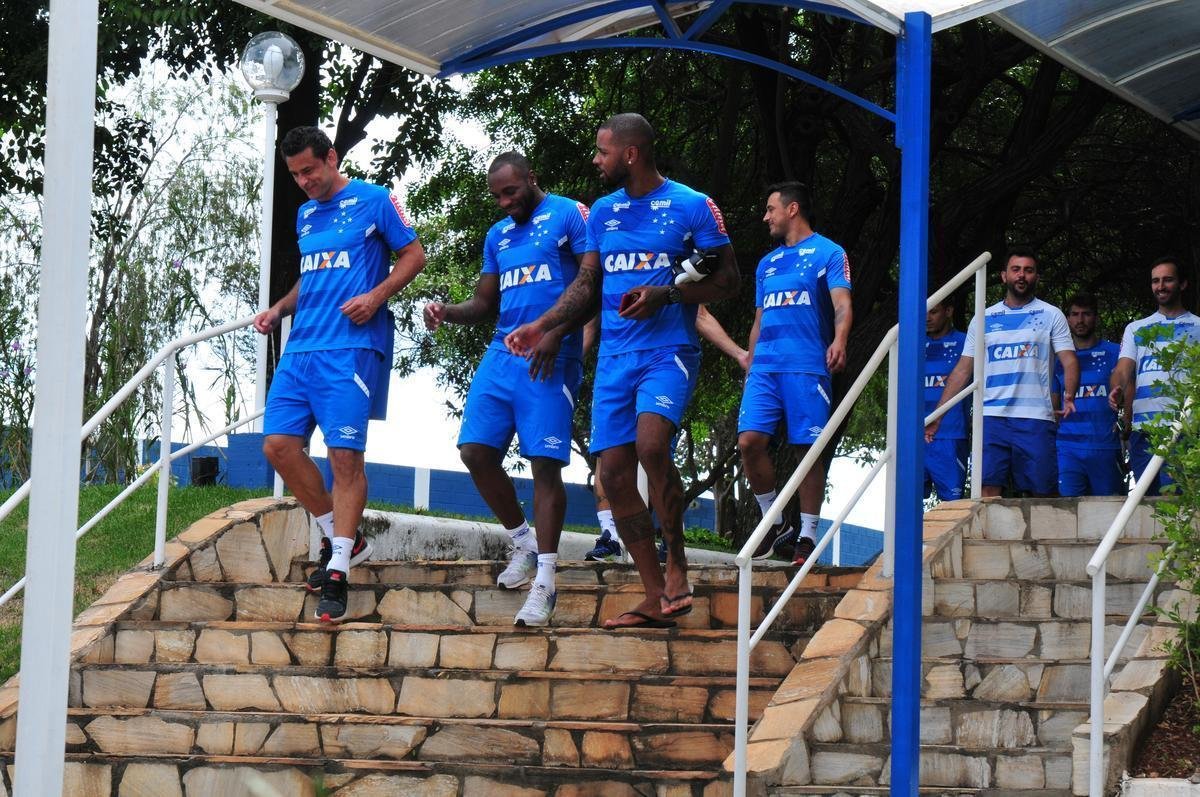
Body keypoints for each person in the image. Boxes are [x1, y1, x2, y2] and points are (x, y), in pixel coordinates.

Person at [507, 113, 740, 628]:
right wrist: (544, 326)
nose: (596, 159)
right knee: (611, 475)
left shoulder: (693, 206)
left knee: (652, 447)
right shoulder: (603, 213)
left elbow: (728, 281)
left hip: (668, 350)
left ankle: (678, 564)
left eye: (603, 151)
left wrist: (668, 294)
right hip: (615, 358)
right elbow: (588, 285)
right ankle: (656, 595)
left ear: (630, 154)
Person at [255, 126, 426, 622]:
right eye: (295, 175)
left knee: (344, 457)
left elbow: (414, 255)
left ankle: (339, 573)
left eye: (309, 169)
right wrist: (278, 308)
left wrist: (375, 297)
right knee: (277, 446)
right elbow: (312, 279)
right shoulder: (306, 214)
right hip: (301, 347)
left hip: (351, 348)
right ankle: (343, 540)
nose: (304, 181)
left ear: (331, 158)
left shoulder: (376, 200)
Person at [422, 152, 588, 626]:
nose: (504, 202)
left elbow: (591, 284)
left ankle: (546, 583)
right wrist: (446, 312)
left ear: (532, 178)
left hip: (549, 354)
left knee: (544, 464)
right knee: (474, 451)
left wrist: (556, 334)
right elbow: (483, 301)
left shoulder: (569, 214)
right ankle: (523, 543)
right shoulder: (498, 235)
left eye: (510, 191)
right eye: (496, 195)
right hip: (503, 353)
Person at [737, 182, 852, 567]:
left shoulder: (830, 252)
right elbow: (759, 319)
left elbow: (842, 303)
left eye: (770, 209)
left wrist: (839, 339)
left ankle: (807, 534)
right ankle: (774, 519)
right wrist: (751, 361)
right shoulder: (766, 264)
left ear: (792, 209)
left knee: (809, 450)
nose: (765, 216)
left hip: (806, 366)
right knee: (749, 441)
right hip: (765, 368)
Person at [583, 307, 750, 562]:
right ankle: (610, 535)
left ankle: (670, 544)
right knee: (608, 457)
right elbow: (589, 322)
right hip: (615, 361)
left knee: (653, 451)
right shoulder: (605, 273)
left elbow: (699, 313)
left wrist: (740, 354)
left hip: (662, 361)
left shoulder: (668, 271)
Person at [926, 250, 1077, 497]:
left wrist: (1069, 393)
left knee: (1041, 493)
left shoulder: (1051, 314)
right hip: (991, 417)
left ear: (1036, 277)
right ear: (1004, 276)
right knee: (986, 488)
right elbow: (964, 369)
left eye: (1028, 270)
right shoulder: (984, 317)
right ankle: (988, 538)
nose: (1022, 275)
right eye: (1016, 269)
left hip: (1035, 417)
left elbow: (1069, 360)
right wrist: (938, 416)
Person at [1109, 257, 1200, 495]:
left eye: (1168, 280)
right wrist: (1116, 388)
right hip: (1144, 431)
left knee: (1175, 504)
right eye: (1155, 281)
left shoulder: (1198, 326)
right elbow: (1123, 369)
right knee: (1146, 505)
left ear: (1182, 284)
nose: (1161, 286)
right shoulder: (1136, 328)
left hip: (1184, 429)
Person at [1054, 293, 1123, 496]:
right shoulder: (1058, 358)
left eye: (1086, 314)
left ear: (1096, 317)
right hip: (1067, 448)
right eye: (1074, 314)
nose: (1080, 320)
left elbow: (1127, 395)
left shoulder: (1115, 352)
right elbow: (1053, 402)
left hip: (1105, 448)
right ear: (1067, 319)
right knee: (1067, 513)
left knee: (1109, 514)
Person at [923, 297, 968, 501]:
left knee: (952, 504)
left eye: (933, 311)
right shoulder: (911, 344)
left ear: (948, 311)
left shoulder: (966, 342)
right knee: (906, 506)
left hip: (950, 434)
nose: (927, 318)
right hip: (915, 437)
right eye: (924, 312)